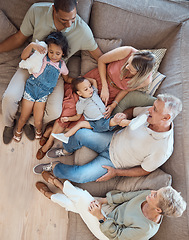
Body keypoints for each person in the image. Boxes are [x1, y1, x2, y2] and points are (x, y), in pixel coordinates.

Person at [1, 0, 102, 144]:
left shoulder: (83, 31)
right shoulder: (37, 11)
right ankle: (9, 124)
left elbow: (100, 57)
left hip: (54, 75)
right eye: (64, 20)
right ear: (54, 9)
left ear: (77, 6)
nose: (69, 25)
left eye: (73, 19)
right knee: (9, 97)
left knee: (55, 112)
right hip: (33, 65)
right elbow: (18, 38)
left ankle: (28, 122)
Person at [36, 46, 156, 158]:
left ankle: (50, 130)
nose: (126, 67)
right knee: (71, 108)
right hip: (98, 79)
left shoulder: (145, 81)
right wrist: (104, 86)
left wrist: (113, 104)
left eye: (131, 69)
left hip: (111, 94)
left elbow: (126, 90)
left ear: (140, 73)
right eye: (128, 63)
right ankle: (49, 142)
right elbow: (102, 60)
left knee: (87, 120)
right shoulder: (127, 51)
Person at [33, 94, 182, 183]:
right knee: (80, 133)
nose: (150, 109)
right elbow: (132, 111)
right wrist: (123, 116)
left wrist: (117, 173)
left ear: (166, 117)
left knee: (79, 176)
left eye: (155, 109)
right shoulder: (149, 114)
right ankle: (66, 150)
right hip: (111, 138)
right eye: (153, 105)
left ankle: (54, 167)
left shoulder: (163, 149)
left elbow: (144, 170)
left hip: (114, 161)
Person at [35, 171, 186, 240]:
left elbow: (117, 235)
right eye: (155, 191)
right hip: (111, 211)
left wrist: (100, 217)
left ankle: (57, 184)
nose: (152, 192)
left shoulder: (145, 231)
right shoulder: (149, 197)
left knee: (82, 197)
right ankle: (51, 196)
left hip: (107, 232)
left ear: (158, 210)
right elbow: (125, 197)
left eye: (155, 195)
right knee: (80, 204)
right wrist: (103, 200)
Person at [13, 31, 71, 142]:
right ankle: (18, 130)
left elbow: (67, 78)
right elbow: (24, 57)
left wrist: (76, 81)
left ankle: (39, 131)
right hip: (30, 91)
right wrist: (31, 46)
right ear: (47, 50)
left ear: (63, 53)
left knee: (38, 121)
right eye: (51, 52)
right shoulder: (43, 57)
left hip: (42, 95)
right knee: (24, 117)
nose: (54, 56)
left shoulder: (62, 66)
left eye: (57, 53)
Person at [50, 77, 131, 143]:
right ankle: (131, 123)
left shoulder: (94, 92)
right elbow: (77, 116)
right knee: (116, 120)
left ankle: (65, 136)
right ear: (79, 93)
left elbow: (94, 80)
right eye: (86, 89)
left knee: (81, 124)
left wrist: (82, 79)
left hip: (103, 119)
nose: (90, 90)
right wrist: (68, 119)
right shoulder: (80, 104)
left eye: (90, 87)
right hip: (97, 121)